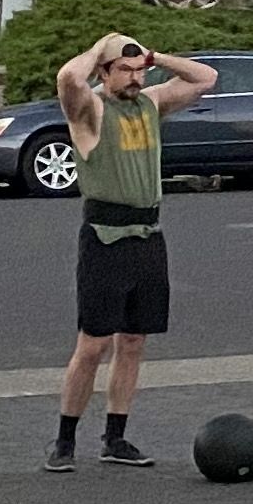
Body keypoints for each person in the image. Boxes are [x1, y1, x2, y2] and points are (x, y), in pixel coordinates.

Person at [45, 28, 216, 472]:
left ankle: (115, 438)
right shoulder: (90, 110)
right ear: (104, 72)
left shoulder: (151, 103)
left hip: (148, 235)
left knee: (134, 341)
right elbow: (68, 79)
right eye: (124, 69)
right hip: (105, 237)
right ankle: (64, 442)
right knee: (93, 345)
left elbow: (206, 78)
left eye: (140, 70)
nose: (135, 78)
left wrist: (156, 56)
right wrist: (99, 45)